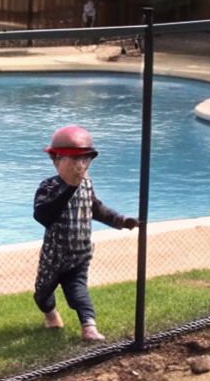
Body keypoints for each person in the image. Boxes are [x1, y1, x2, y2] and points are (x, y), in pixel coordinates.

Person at [31, 124, 138, 342]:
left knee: (77, 291)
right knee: (42, 294)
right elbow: (43, 216)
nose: (79, 166)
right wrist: (69, 187)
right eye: (73, 160)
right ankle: (50, 314)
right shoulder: (48, 186)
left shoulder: (87, 184)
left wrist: (121, 221)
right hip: (54, 257)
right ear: (56, 160)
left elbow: (96, 208)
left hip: (79, 254)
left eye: (84, 161)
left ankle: (89, 327)